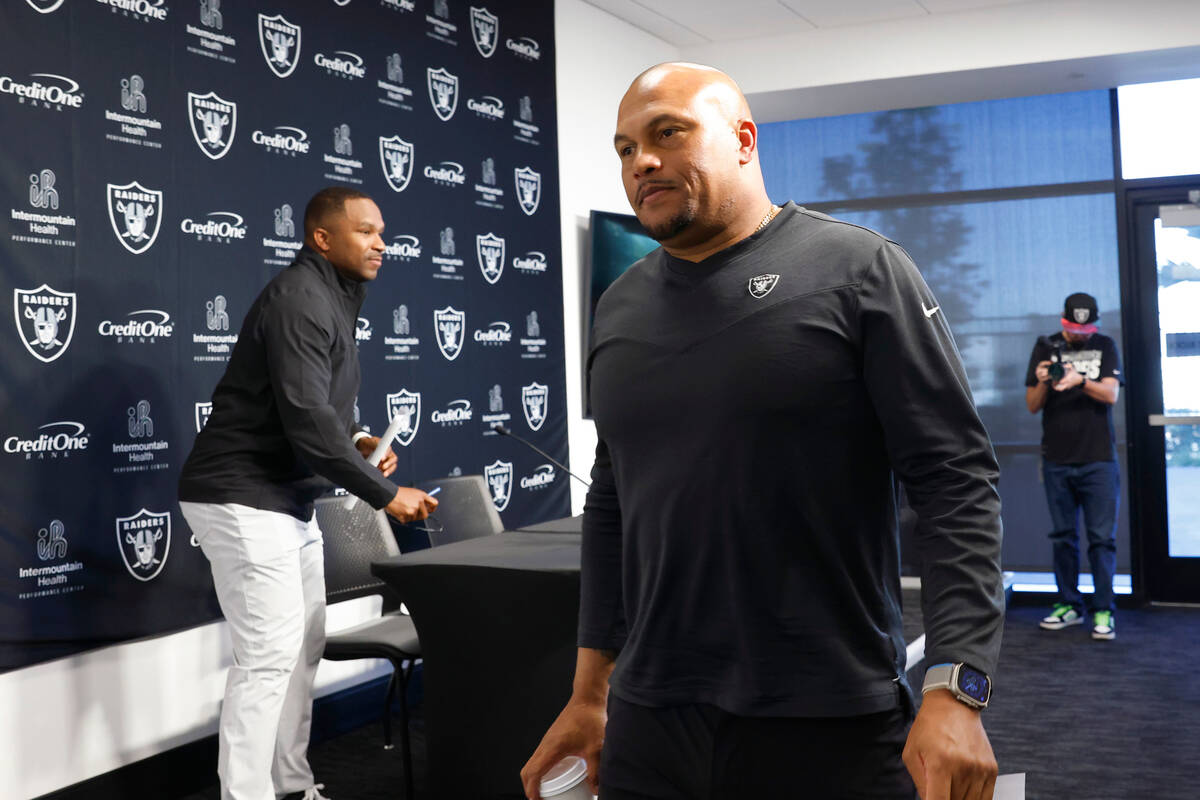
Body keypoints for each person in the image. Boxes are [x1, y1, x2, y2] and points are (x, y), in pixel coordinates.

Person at [521, 63, 1005, 800]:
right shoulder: (618, 307)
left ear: (743, 139)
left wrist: (956, 687)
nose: (640, 161)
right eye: (624, 148)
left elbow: (955, 483)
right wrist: (591, 694)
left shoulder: (860, 270)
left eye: (668, 133)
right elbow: (614, 503)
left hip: (829, 714)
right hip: (651, 719)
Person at [179, 186, 438, 800]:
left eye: (383, 232)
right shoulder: (300, 299)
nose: (383, 243)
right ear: (322, 238)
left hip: (283, 499)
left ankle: (291, 785)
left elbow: (315, 409)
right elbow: (305, 421)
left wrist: (357, 435)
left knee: (301, 648)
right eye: (367, 232)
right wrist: (383, 491)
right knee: (267, 657)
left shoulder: (332, 298)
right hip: (241, 495)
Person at [1025, 292, 1123, 641]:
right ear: (1063, 320)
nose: (1080, 334)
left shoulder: (1106, 345)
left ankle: (1103, 611)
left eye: (1086, 329)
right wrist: (1044, 380)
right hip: (1057, 460)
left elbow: (1111, 394)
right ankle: (1068, 604)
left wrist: (1079, 380)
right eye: (1073, 328)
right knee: (1062, 537)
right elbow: (1032, 405)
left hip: (1098, 460)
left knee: (1102, 540)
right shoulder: (1045, 346)